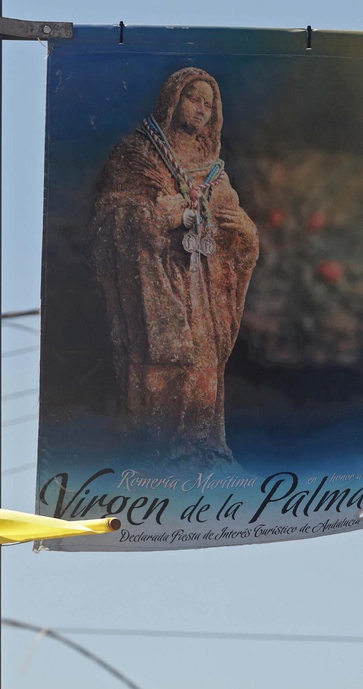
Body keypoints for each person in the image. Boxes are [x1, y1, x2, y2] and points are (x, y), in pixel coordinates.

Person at [90, 67, 259, 466]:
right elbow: (110, 219)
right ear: (173, 100)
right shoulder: (138, 155)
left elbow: (234, 228)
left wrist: (247, 234)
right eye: (193, 99)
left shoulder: (214, 170)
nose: (200, 110)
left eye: (208, 104)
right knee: (162, 371)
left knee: (202, 365)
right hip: (157, 291)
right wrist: (164, 214)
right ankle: (163, 451)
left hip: (204, 291)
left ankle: (205, 448)